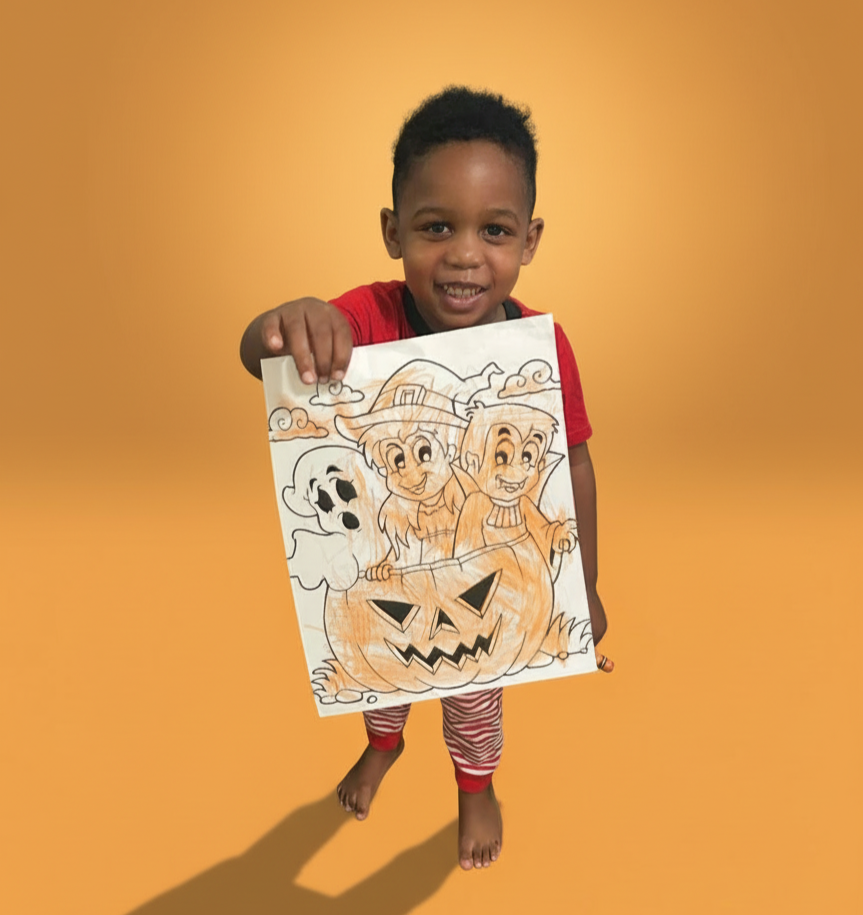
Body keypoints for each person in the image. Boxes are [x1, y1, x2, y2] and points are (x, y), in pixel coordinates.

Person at [240, 86, 614, 871]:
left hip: (481, 575)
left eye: (495, 230)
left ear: (529, 240)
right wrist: (286, 322)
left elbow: (572, 460)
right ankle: (382, 743)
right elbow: (264, 355)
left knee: (473, 693)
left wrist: (582, 582)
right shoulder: (362, 321)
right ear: (393, 232)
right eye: (436, 226)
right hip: (385, 577)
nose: (466, 253)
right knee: (377, 677)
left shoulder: (540, 348)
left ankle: (474, 785)